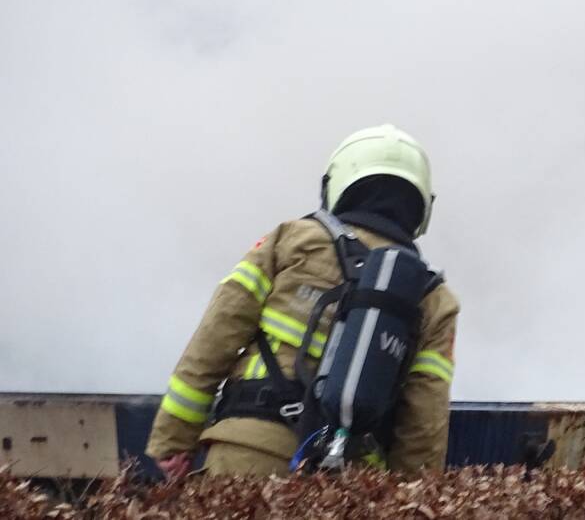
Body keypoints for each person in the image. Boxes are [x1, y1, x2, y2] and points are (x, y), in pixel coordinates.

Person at [145, 124, 459, 477]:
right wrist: (409, 498)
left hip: (248, 454)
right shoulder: (435, 299)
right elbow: (424, 421)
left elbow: (215, 338)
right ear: (422, 207)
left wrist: (173, 438)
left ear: (336, 185)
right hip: (349, 481)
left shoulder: (290, 240)